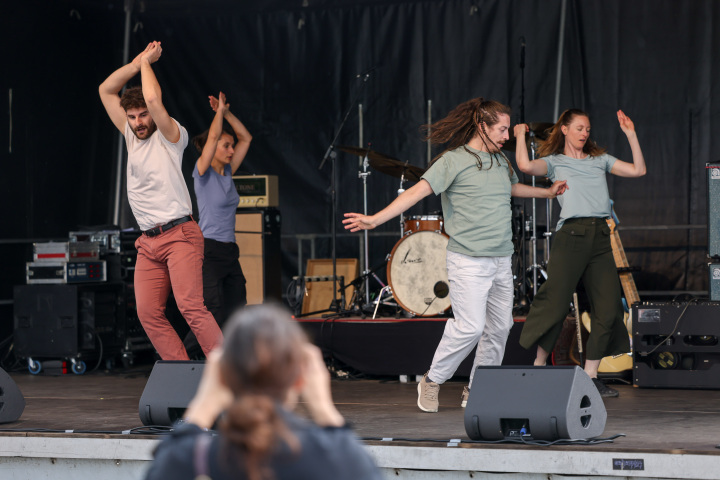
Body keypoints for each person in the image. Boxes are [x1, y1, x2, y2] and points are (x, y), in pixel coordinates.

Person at [343, 98, 567, 413]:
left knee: (500, 327)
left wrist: (546, 192)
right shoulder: (452, 161)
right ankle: (432, 380)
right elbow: (415, 192)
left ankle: (479, 388)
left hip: (501, 258)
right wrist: (374, 219)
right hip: (468, 261)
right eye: (502, 129)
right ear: (482, 127)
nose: (507, 136)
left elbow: (511, 188)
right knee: (471, 327)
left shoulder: (501, 161)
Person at [143, 304, 383, 480]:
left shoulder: (194, 458)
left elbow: (161, 468)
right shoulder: (331, 458)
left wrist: (203, 406)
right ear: (300, 380)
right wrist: (325, 410)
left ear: (223, 376)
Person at [99, 41, 223, 360]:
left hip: (179, 235)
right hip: (148, 242)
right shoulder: (130, 134)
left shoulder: (171, 136)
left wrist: (147, 65)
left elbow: (153, 98)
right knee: (148, 313)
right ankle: (181, 378)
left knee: (191, 307)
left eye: (143, 115)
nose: (139, 122)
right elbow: (105, 89)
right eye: (133, 116)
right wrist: (139, 60)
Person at [515, 109, 646, 397]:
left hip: (601, 236)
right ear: (564, 129)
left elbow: (639, 170)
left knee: (609, 306)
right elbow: (524, 166)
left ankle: (590, 376)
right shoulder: (554, 162)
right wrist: (519, 135)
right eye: (579, 128)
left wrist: (631, 134)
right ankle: (537, 367)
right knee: (556, 303)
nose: (585, 133)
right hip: (571, 236)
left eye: (587, 129)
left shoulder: (600, 160)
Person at [192, 91, 253, 328]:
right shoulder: (202, 173)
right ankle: (182, 359)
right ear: (212, 147)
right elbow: (215, 134)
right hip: (209, 250)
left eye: (231, 147)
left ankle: (227, 359)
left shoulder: (228, 172)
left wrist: (226, 112)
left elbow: (245, 138)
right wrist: (217, 114)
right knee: (213, 309)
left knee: (237, 307)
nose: (231, 150)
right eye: (226, 146)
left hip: (229, 251)